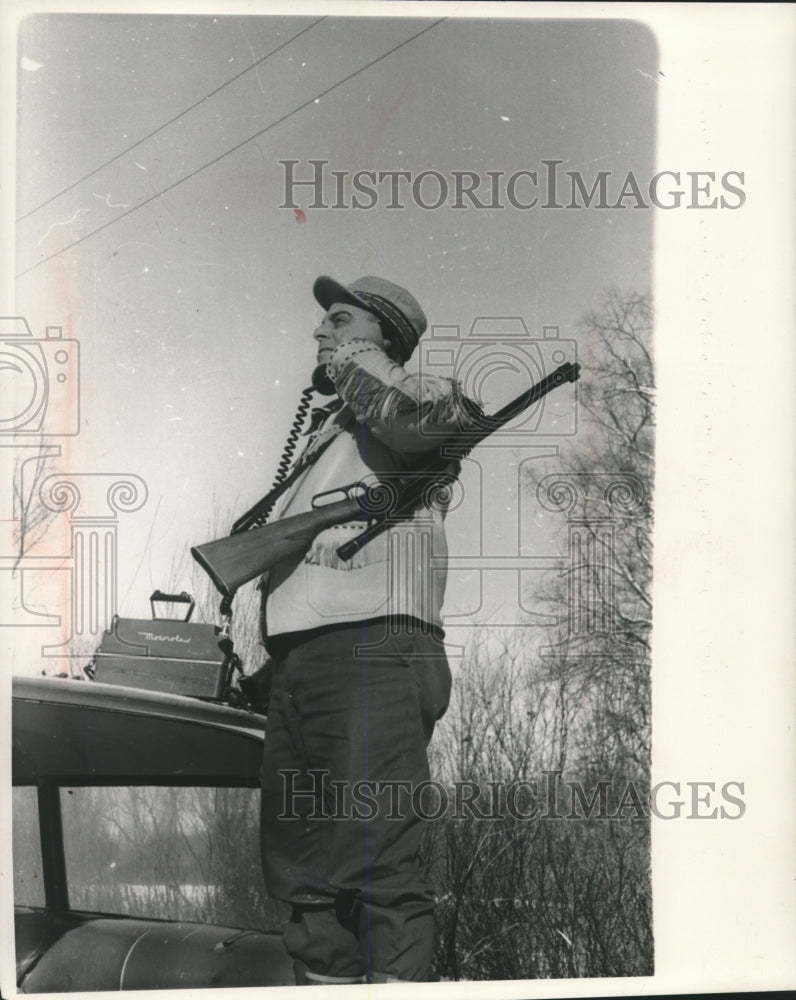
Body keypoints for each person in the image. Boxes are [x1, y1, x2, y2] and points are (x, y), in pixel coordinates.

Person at [257, 275, 478, 985]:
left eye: (340, 320)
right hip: (304, 664)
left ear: (381, 334)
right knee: (304, 886)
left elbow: (426, 430)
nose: (320, 332)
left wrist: (359, 368)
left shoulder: (424, 397)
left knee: (383, 871)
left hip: (373, 650)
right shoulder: (333, 430)